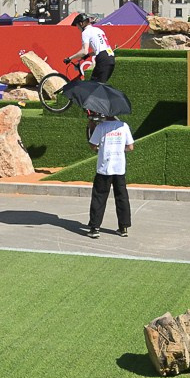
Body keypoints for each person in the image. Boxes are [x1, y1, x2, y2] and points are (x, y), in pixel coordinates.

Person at [82, 107, 136, 238]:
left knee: (99, 197)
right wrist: (119, 150)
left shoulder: (101, 127)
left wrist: (91, 127)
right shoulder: (124, 126)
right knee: (122, 197)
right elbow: (130, 147)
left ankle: (95, 228)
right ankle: (123, 228)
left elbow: (93, 145)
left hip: (104, 168)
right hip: (119, 167)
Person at [67, 14, 114, 82]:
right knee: (98, 84)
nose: (78, 29)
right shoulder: (98, 30)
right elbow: (99, 49)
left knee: (94, 85)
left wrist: (70, 58)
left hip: (103, 58)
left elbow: (84, 51)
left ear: (81, 24)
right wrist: (88, 55)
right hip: (110, 57)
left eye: (78, 27)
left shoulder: (86, 32)